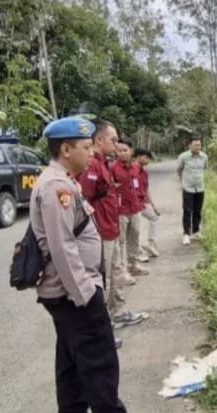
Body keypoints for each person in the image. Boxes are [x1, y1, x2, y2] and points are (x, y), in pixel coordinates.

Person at [31, 117, 127, 412]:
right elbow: (62, 247)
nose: (91, 153)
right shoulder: (56, 187)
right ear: (65, 149)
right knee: (100, 366)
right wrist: (85, 295)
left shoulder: (61, 182)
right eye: (86, 147)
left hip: (66, 293)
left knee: (72, 367)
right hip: (74, 294)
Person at [78, 120, 144, 332]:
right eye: (113, 140)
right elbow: (84, 200)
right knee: (102, 279)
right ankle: (103, 325)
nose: (117, 145)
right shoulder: (92, 165)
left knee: (115, 272)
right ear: (99, 140)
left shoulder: (104, 163)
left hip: (112, 227)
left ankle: (119, 312)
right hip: (101, 231)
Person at [112, 139, 150, 277]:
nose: (121, 153)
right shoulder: (113, 168)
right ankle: (123, 272)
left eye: (125, 150)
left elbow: (139, 186)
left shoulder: (135, 168)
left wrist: (141, 202)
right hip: (121, 210)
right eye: (119, 150)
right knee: (121, 241)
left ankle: (133, 265)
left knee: (134, 237)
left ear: (131, 151)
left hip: (135, 209)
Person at [177, 136, 208, 246]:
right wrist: (182, 181)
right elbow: (179, 170)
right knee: (187, 211)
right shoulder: (183, 157)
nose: (197, 147)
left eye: (199, 145)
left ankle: (196, 231)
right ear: (189, 145)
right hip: (188, 188)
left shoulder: (204, 156)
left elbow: (205, 168)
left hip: (200, 187)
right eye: (195, 145)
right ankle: (186, 233)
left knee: (198, 210)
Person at [134, 148, 161, 258]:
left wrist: (153, 205)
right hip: (133, 203)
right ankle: (137, 251)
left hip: (143, 202)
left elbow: (146, 189)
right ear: (139, 156)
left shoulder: (144, 172)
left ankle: (150, 242)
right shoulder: (132, 170)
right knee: (135, 228)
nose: (148, 160)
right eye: (146, 158)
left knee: (154, 217)